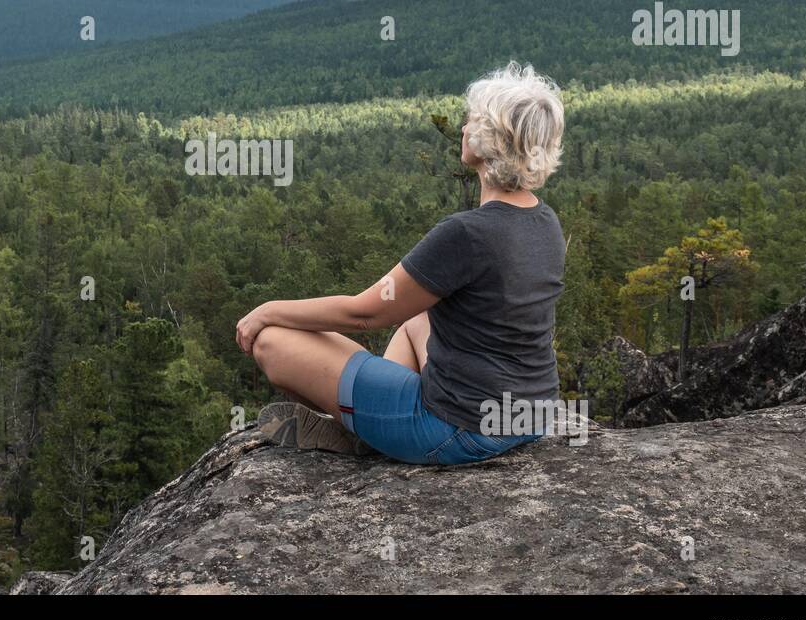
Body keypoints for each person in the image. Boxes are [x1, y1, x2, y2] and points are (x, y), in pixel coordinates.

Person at [236, 61, 567, 465]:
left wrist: (267, 311)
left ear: (489, 142)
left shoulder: (467, 233)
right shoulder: (545, 221)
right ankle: (375, 423)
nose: (464, 129)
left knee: (272, 340)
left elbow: (364, 313)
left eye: (473, 122)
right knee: (415, 320)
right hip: (526, 418)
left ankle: (369, 431)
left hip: (459, 429)